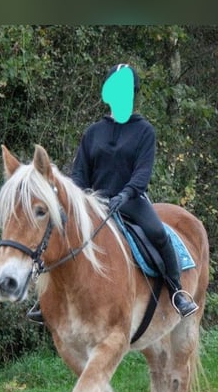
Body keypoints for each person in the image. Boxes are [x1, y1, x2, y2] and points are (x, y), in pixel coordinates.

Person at [27, 63, 198, 323]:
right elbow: (80, 173)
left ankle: (177, 290)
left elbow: (142, 172)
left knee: (159, 234)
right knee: (57, 236)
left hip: (130, 201)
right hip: (93, 204)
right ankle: (48, 299)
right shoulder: (93, 133)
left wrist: (126, 193)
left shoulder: (144, 132)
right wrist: (79, 198)